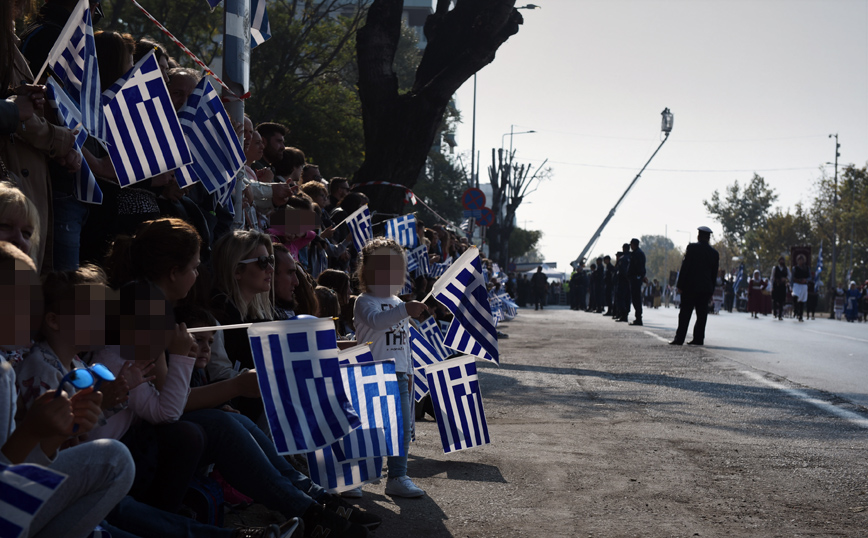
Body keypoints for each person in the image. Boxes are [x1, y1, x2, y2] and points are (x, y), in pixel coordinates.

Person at [353, 238, 430, 498]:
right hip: (370, 374)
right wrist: (405, 310)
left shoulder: (398, 302)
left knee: (400, 429)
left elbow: (404, 343)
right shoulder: (364, 301)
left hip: (398, 375)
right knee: (368, 428)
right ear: (369, 271)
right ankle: (356, 478)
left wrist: (409, 372)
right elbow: (376, 322)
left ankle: (398, 476)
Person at [670, 227, 719, 346]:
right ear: (708, 238)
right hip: (705, 289)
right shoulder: (714, 253)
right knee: (702, 315)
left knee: (685, 313)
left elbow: (685, 267)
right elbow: (714, 274)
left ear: (698, 236)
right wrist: (711, 290)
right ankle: (698, 338)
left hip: (690, 287)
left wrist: (680, 285)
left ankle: (679, 338)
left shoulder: (692, 248)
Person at [628, 238, 646, 325]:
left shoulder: (638, 254)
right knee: (635, 299)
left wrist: (640, 276)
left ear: (633, 244)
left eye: (631, 244)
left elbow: (639, 267)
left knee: (636, 300)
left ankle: (639, 318)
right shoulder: (637, 253)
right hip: (635, 278)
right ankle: (638, 318)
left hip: (636, 279)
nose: (630, 246)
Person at [790, 254, 810, 322]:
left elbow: (809, 277)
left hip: (803, 285)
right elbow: (792, 278)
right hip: (797, 284)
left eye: (802, 260)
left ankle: (800, 315)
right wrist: (791, 286)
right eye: (799, 260)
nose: (800, 261)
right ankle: (795, 309)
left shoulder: (807, 268)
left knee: (802, 301)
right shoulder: (794, 268)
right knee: (795, 296)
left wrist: (806, 280)